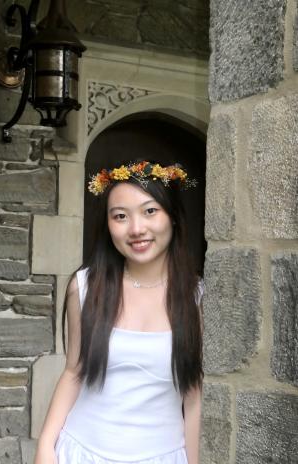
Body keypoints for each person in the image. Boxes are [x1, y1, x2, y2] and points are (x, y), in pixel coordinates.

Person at [34, 160, 204, 464]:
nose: (137, 229)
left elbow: (194, 395)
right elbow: (74, 371)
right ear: (108, 224)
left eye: (150, 211)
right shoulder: (85, 287)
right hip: (81, 452)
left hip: (163, 455)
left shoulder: (197, 295)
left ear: (173, 217)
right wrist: (46, 447)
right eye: (121, 216)